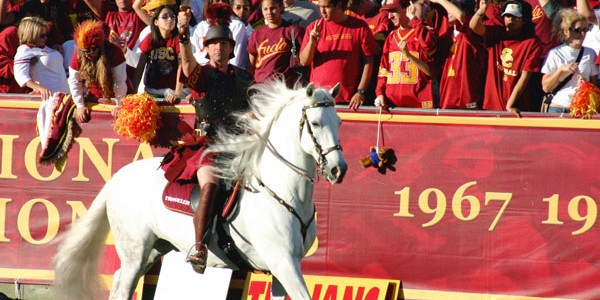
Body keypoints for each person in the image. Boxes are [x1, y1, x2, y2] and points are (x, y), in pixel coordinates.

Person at [178, 3, 251, 273]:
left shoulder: (243, 76)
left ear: (232, 49)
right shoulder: (201, 75)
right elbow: (186, 65)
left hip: (241, 145)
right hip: (209, 146)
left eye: (224, 44)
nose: (219, 48)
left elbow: (255, 110)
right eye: (213, 44)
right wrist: (183, 37)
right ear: (206, 49)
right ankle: (199, 247)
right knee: (211, 183)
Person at [299, 0, 379, 110]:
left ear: (339, 5)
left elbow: (369, 61)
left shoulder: (360, 27)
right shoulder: (314, 28)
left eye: (326, 7)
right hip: (319, 98)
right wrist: (311, 43)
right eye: (320, 7)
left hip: (348, 100)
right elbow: (304, 61)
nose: (322, 11)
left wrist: (361, 91)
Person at [469, 0, 542, 117]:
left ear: (525, 20)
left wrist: (510, 104)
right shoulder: (496, 34)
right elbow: (474, 26)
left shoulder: (532, 43)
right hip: (491, 105)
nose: (510, 20)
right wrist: (481, 10)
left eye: (515, 17)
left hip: (517, 107)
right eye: (507, 16)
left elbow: (524, 77)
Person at [375, 0, 438, 109]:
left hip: (419, 105)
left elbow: (429, 49)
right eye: (388, 12)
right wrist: (380, 93)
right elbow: (384, 70)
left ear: (408, 8)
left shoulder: (426, 32)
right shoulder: (391, 36)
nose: (390, 16)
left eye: (393, 11)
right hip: (392, 105)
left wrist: (414, 20)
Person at [68, 20, 127, 123]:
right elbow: (74, 81)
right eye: (83, 52)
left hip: (114, 97)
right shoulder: (78, 55)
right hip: (93, 97)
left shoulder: (114, 52)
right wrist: (80, 105)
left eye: (90, 52)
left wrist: (119, 104)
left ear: (99, 47)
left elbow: (119, 82)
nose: (86, 55)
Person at [541, 8, 598, 113]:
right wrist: (560, 71)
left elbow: (595, 85)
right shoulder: (555, 53)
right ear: (566, 31)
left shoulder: (590, 53)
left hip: (582, 108)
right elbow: (546, 87)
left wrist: (586, 85)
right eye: (577, 30)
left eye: (585, 30)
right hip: (559, 107)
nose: (582, 34)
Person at [433, 0, 487, 109]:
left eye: (453, 5)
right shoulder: (444, 37)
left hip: (468, 98)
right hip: (447, 97)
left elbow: (461, 16)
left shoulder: (471, 32)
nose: (448, 9)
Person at [136, 5, 188, 102]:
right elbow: (140, 67)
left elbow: (182, 65)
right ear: (156, 22)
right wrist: (134, 92)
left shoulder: (177, 39)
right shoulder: (150, 38)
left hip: (173, 91)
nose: (170, 19)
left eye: (173, 16)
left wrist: (177, 92)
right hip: (153, 91)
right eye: (165, 17)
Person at [247, 0, 305, 86]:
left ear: (281, 7)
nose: (269, 12)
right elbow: (251, 66)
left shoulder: (293, 31)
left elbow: (306, 58)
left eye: (273, 8)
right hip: (261, 88)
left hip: (285, 88)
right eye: (265, 9)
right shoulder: (256, 34)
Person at [14, 17, 69, 101]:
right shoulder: (25, 50)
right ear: (31, 34)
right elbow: (21, 77)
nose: (45, 38)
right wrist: (40, 88)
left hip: (65, 95)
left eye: (46, 35)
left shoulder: (46, 48)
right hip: (49, 98)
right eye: (42, 36)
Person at [190, 1, 250, 69]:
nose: (221, 2)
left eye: (224, 0)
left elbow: (236, 62)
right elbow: (194, 60)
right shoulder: (198, 28)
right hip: (204, 74)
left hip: (231, 74)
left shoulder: (237, 25)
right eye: (217, 0)